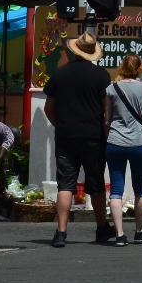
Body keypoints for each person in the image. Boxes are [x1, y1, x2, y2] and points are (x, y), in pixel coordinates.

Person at [43, 32, 113, 248]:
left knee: (65, 184)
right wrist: (105, 132)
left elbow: (48, 108)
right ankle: (102, 228)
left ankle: (61, 232)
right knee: (96, 183)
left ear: (74, 51)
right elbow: (107, 111)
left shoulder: (60, 73)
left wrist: (61, 125)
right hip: (93, 136)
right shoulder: (101, 76)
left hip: (66, 136)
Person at [103, 53, 142, 246]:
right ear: (139, 68)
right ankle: (139, 232)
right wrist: (141, 135)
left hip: (115, 142)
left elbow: (107, 119)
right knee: (140, 189)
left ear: (122, 67)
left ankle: (119, 234)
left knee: (116, 189)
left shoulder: (112, 88)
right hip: (139, 144)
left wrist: (109, 137)